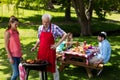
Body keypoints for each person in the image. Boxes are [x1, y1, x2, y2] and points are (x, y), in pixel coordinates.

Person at [31, 14, 67, 80]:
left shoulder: (54, 27)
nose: (45, 23)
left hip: (50, 51)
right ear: (42, 21)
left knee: (53, 67)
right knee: (41, 67)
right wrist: (35, 46)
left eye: (47, 22)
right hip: (42, 51)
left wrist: (57, 44)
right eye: (44, 22)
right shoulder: (40, 28)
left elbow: (65, 35)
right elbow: (39, 39)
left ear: (49, 21)